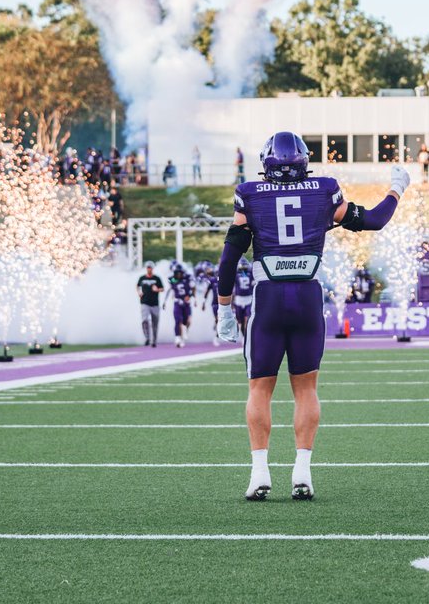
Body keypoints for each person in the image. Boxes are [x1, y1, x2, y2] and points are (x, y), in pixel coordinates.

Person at [215, 131, 409, 501]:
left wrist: (224, 308)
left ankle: (259, 474)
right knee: (306, 389)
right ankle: (302, 472)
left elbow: (228, 259)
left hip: (268, 298)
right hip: (307, 296)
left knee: (260, 389)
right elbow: (373, 221)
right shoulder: (323, 189)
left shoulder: (250, 194)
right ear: (303, 159)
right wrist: (396, 189)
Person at [136, 261, 163, 347]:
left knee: (155, 323)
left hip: (155, 304)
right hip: (145, 302)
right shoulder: (142, 278)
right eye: (148, 267)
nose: (149, 269)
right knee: (145, 320)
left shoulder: (157, 278)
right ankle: (147, 337)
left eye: (150, 267)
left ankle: (154, 340)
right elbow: (137, 286)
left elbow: (162, 288)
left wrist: (157, 290)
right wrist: (139, 292)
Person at [166, 264, 193, 348]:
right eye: (177, 273)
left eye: (179, 272)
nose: (178, 274)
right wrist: (165, 301)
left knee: (187, 321)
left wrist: (190, 296)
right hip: (177, 302)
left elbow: (192, 288)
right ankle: (177, 337)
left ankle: (184, 333)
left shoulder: (187, 279)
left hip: (187, 303)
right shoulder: (173, 279)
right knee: (178, 320)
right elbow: (170, 288)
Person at [232, 258, 255, 339]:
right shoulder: (236, 275)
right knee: (240, 321)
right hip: (239, 300)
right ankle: (243, 336)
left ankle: (246, 337)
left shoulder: (250, 274)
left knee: (247, 319)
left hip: (248, 299)